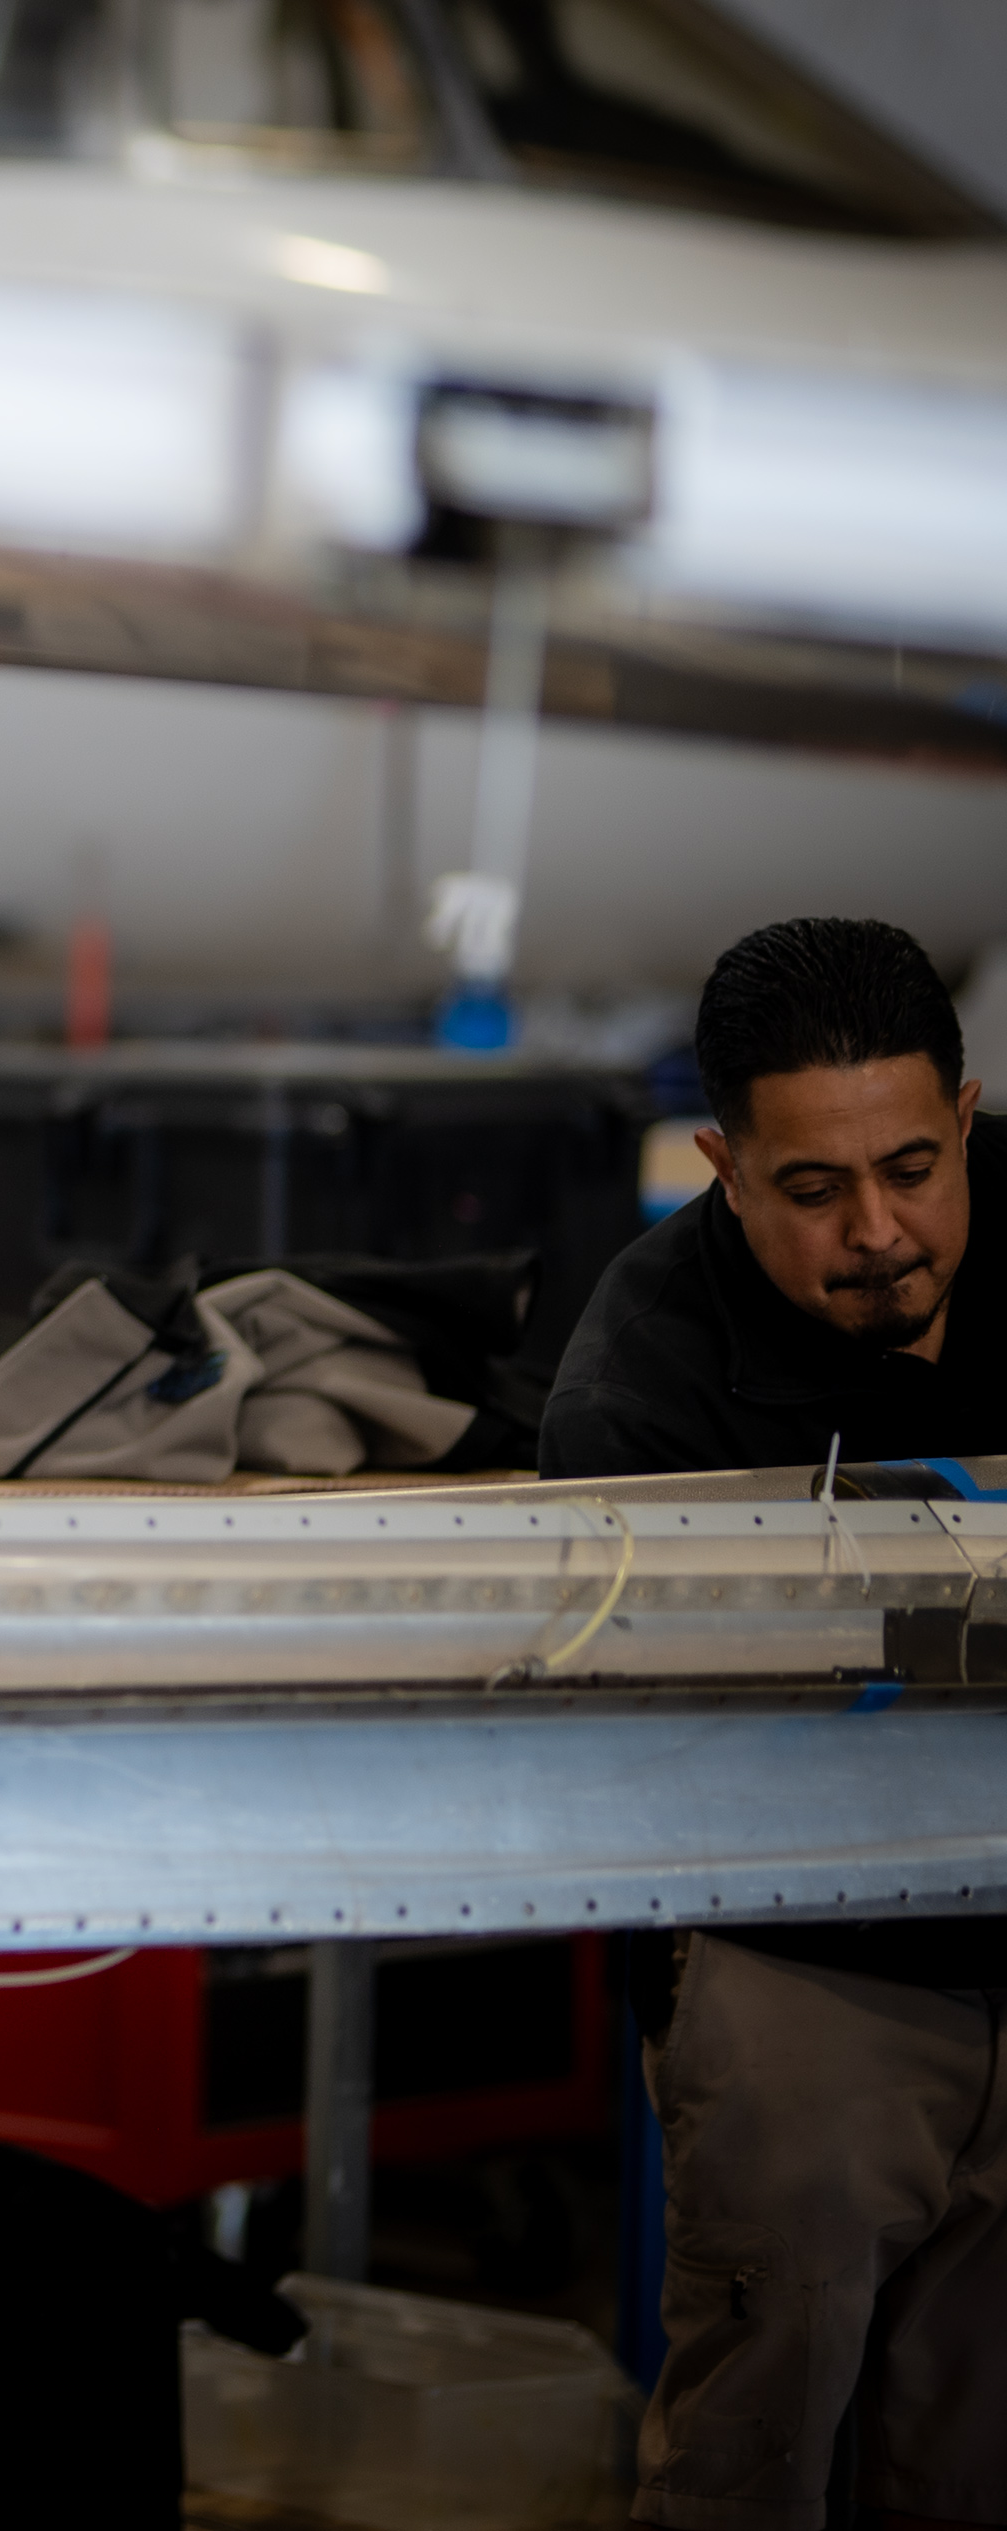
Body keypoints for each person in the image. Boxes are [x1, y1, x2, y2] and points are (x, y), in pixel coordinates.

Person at [541, 918, 1007, 2531]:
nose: (880, 1232)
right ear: (722, 1166)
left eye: (915, 1166)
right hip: (812, 1952)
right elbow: (641, 1745)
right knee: (762, 2442)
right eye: (813, 1191)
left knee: (972, 2443)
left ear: (967, 1107)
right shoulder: (644, 1379)